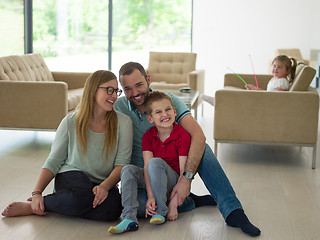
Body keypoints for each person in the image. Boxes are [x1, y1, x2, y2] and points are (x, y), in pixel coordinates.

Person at [110, 62, 261, 237]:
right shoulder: (118, 107)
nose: (135, 93)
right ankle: (188, 201)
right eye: (128, 89)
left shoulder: (169, 101)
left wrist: (185, 180)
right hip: (146, 182)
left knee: (201, 148)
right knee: (141, 207)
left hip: (174, 173)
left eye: (139, 85)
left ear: (148, 80)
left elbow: (198, 136)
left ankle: (233, 211)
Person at [2, 70, 133, 221]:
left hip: (101, 182)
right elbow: (54, 161)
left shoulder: (123, 123)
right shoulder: (70, 121)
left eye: (117, 91)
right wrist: (37, 192)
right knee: (82, 196)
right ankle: (38, 204)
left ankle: (51, 204)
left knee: (113, 209)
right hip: (72, 175)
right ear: (93, 89)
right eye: (109, 90)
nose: (115, 96)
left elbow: (122, 163)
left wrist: (104, 186)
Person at [143, 91, 191, 224]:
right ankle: (128, 216)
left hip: (174, 180)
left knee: (154, 162)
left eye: (168, 109)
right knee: (132, 170)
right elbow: (147, 168)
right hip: (156, 181)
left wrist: (173, 206)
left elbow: (183, 173)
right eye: (158, 112)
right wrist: (150, 196)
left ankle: (162, 210)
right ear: (150, 119)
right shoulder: (148, 136)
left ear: (175, 111)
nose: (165, 114)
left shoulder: (182, 136)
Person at [201, 55, 298, 106]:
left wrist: (257, 91)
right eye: (274, 66)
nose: (275, 69)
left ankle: (218, 102)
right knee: (243, 94)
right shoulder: (275, 79)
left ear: (288, 70)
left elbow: (275, 97)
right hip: (266, 100)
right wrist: (256, 89)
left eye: (279, 67)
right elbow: (269, 93)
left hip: (267, 104)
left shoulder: (282, 82)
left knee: (243, 97)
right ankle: (219, 101)